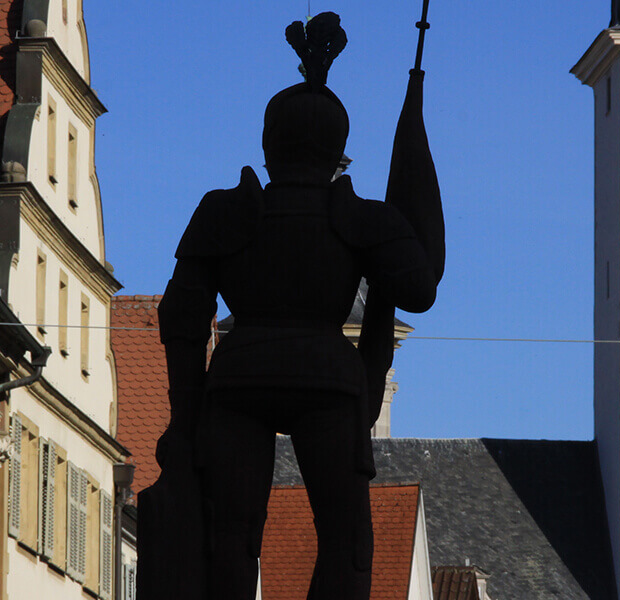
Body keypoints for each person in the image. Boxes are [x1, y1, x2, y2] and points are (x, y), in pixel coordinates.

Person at [153, 13, 444, 599]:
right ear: (337, 148)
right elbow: (420, 291)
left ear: (268, 145)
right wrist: (395, 229)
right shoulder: (359, 218)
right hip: (327, 381)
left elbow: (181, 319)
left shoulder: (225, 210)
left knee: (230, 534)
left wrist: (185, 419)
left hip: (238, 381)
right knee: (345, 538)